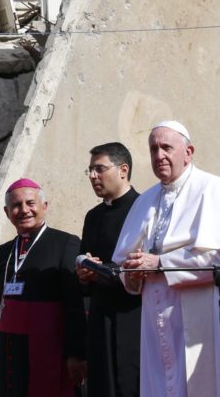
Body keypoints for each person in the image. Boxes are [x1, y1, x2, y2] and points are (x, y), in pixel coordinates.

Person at [112, 120, 220, 397]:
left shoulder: (216, 190)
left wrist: (160, 263)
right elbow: (125, 264)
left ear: (188, 152)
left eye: (167, 147)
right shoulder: (145, 201)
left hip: (207, 311)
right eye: (153, 149)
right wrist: (131, 274)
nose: (159, 155)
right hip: (158, 317)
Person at [0, 178, 87, 396]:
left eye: (30, 203)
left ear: (44, 206)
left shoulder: (65, 243)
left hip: (48, 348)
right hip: (8, 350)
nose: (23, 210)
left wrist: (76, 354)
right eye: (16, 205)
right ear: (6, 211)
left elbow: (75, 303)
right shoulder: (4, 251)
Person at [77, 142, 141, 397]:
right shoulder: (92, 216)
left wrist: (105, 270)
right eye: (90, 170)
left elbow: (144, 259)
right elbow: (84, 259)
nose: (93, 176)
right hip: (100, 316)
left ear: (123, 170)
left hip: (135, 314)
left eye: (99, 169)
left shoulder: (144, 207)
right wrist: (83, 273)